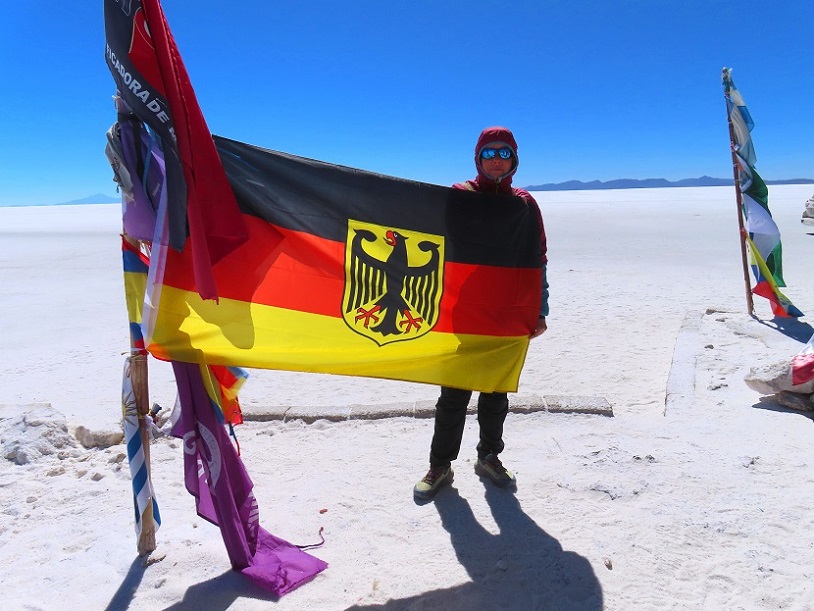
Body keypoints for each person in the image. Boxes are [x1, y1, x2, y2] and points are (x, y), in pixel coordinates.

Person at [414, 126, 549, 500]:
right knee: (454, 395)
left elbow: (538, 258)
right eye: (488, 153)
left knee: (495, 393)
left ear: (514, 160)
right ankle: (440, 464)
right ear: (477, 158)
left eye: (503, 153)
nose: (496, 160)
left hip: (508, 313)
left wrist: (540, 310)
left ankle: (489, 456)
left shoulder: (524, 203)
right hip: (466, 312)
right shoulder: (461, 196)